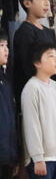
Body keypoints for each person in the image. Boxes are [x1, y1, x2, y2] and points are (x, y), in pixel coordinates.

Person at [21, 42, 56, 179]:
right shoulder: (32, 88)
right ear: (37, 63)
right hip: (44, 159)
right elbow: (31, 125)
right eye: (51, 56)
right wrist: (37, 157)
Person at [12, 0, 56, 100]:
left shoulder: (49, 32)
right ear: (27, 3)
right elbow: (27, 66)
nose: (47, 3)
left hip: (50, 87)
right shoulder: (25, 32)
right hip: (34, 93)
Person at [0, 29, 16, 179]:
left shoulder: (6, 79)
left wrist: (13, 156)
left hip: (7, 156)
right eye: (1, 45)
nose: (6, 50)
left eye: (7, 45)